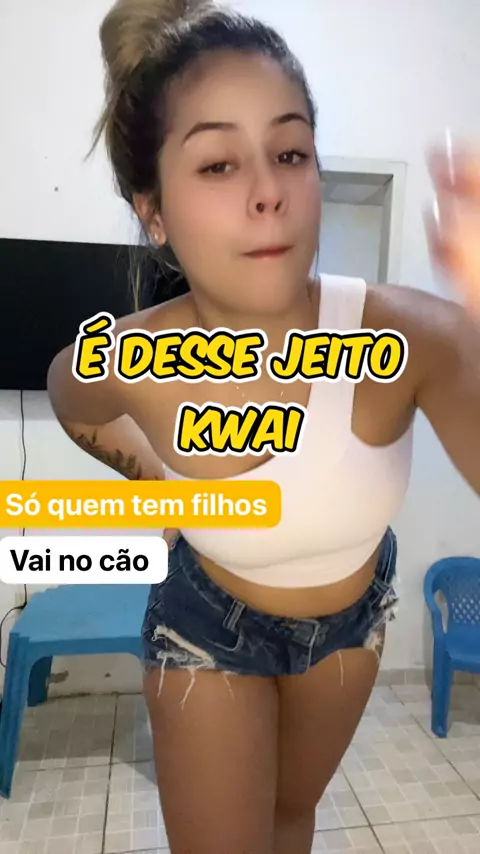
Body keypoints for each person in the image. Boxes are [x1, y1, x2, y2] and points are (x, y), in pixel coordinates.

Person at [47, 1, 480, 852]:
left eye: (290, 153)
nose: (268, 192)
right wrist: (154, 485)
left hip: (350, 625)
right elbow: (71, 399)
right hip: (206, 625)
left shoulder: (405, 337)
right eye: (217, 164)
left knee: (290, 818)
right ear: (154, 211)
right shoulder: (130, 359)